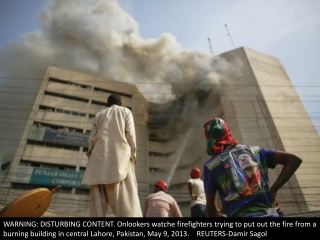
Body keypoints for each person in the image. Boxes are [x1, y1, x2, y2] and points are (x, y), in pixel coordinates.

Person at [203, 117, 302, 218]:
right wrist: (273, 190)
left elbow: (211, 208)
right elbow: (293, 160)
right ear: (227, 132)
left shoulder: (211, 166)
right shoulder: (256, 151)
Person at [81, 94, 142, 217]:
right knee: (128, 208)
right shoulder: (125, 111)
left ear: (108, 104)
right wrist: (133, 154)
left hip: (97, 164)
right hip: (120, 161)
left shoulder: (99, 115)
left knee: (97, 211)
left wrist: (91, 159)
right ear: (120, 103)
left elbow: (91, 140)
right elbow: (130, 135)